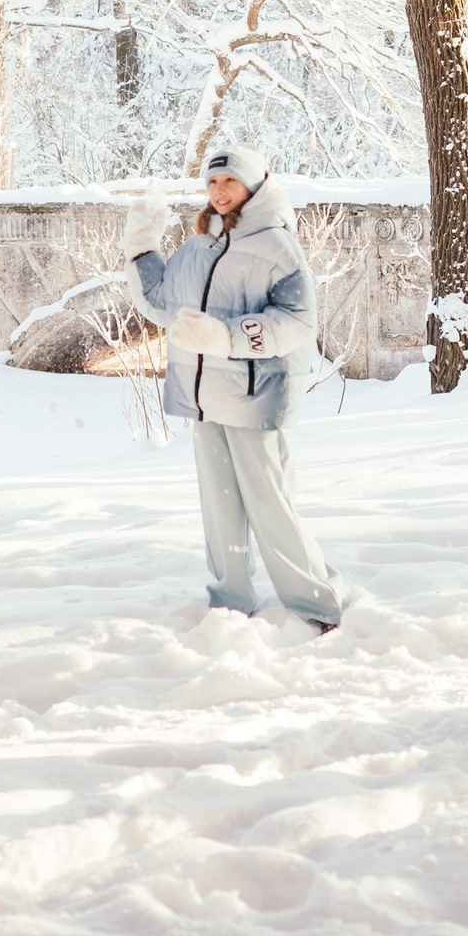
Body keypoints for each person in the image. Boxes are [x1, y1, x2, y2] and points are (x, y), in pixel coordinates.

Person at [122, 146, 344, 633]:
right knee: (220, 505)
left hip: (255, 393)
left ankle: (316, 602)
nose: (219, 192)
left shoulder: (276, 245)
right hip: (204, 396)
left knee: (269, 501)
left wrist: (226, 338)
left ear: (255, 186)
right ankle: (230, 597)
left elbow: (298, 321)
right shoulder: (199, 243)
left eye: (230, 182)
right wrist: (142, 247)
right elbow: (164, 303)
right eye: (213, 183)